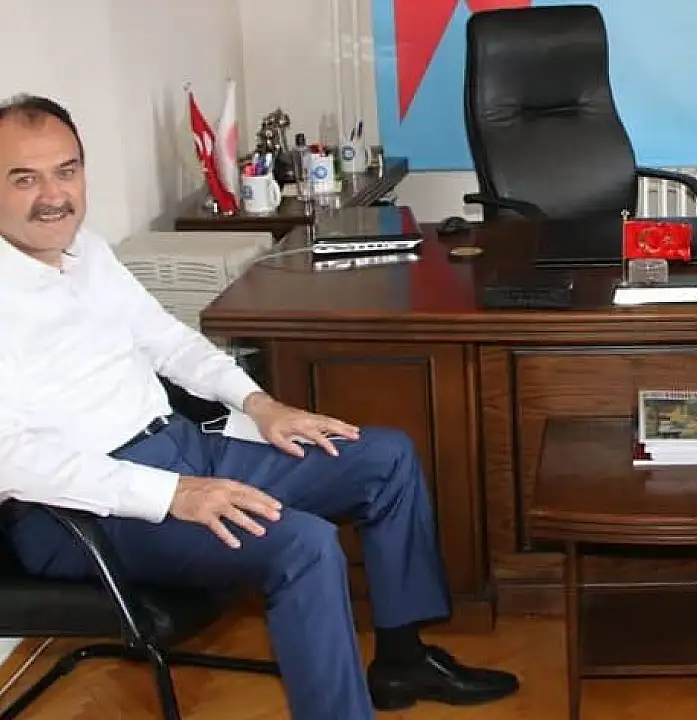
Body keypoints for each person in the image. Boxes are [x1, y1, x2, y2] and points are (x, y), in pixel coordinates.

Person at [0, 94, 519, 719]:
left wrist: (262, 405)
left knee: (384, 458)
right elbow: (14, 460)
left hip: (180, 449)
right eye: (24, 179)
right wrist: (172, 494)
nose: (53, 196)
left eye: (66, 171)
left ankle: (403, 663)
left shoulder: (89, 253)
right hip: (81, 512)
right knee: (302, 545)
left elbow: (169, 342)